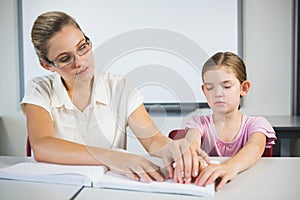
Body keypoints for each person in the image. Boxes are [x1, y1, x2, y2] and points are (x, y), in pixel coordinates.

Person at [20, 11, 205, 184]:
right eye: (65, 58)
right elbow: (42, 145)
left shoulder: (120, 87)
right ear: (47, 65)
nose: (80, 62)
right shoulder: (41, 89)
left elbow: (153, 140)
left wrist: (173, 148)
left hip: (107, 189)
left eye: (82, 47)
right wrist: (113, 157)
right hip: (57, 189)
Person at [185, 52, 276, 189]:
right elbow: (191, 145)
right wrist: (192, 158)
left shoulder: (257, 124)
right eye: (210, 88)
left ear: (243, 88)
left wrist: (229, 167)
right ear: (204, 90)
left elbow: (255, 147)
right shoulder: (198, 123)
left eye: (226, 86)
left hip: (247, 188)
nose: (218, 93)